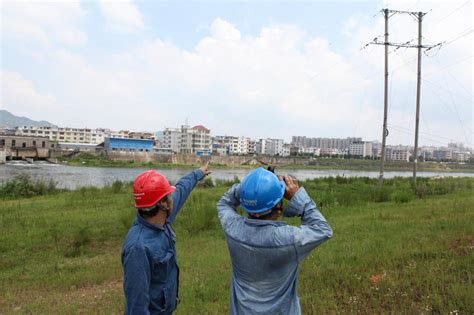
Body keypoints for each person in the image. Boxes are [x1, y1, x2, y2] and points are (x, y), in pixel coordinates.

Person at [216, 167, 333, 314]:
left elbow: (224, 203)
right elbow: (323, 229)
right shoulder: (288, 239)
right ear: (278, 206)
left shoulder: (233, 228)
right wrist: (297, 196)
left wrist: (251, 188)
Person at [122, 162, 211, 314]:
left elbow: (182, 188)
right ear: (163, 204)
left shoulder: (162, 218)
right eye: (170, 194)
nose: (173, 197)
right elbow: (137, 307)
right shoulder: (138, 248)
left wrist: (199, 173)